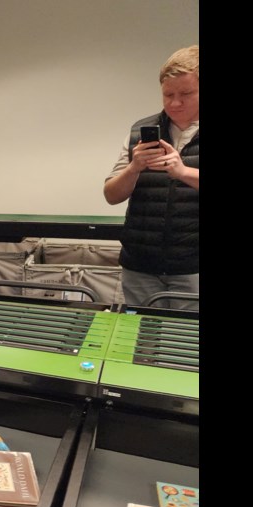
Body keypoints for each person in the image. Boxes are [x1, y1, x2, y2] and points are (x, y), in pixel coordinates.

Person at [104, 45, 199, 309]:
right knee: (142, 342)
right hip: (140, 264)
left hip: (194, 267)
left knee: (188, 344)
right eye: (168, 94)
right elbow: (111, 195)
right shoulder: (140, 132)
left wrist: (182, 172)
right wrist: (133, 167)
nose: (174, 102)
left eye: (186, 94)